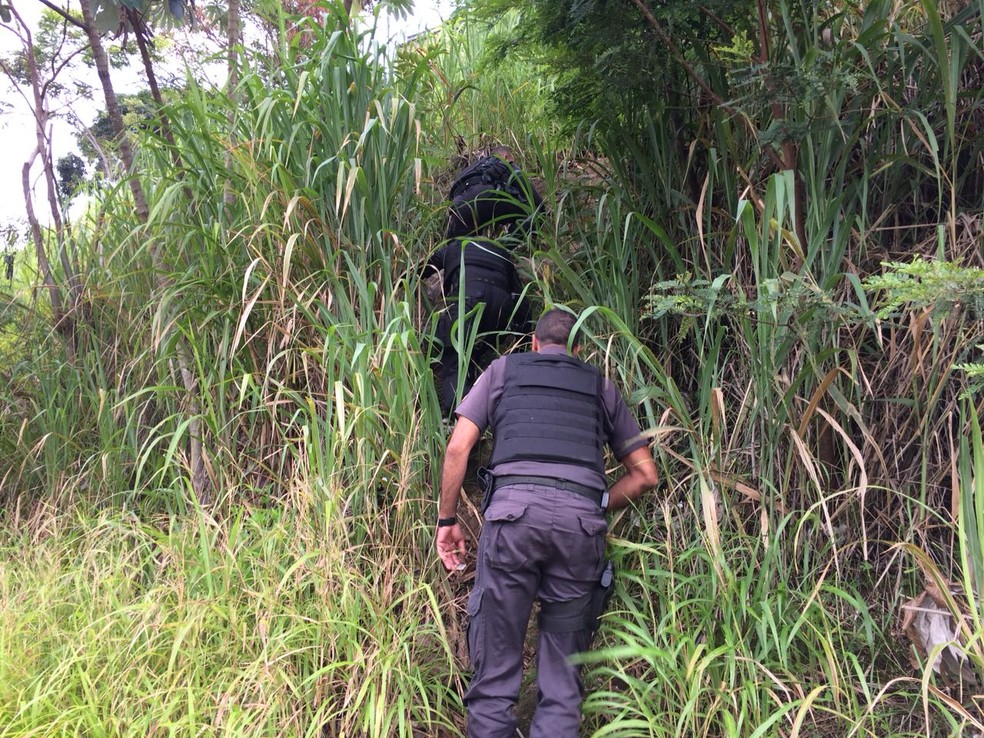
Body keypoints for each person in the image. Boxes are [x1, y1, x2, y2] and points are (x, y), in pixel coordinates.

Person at [434, 308, 660, 737]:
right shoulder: (600, 385)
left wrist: (447, 519)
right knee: (562, 687)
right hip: (581, 527)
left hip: (511, 520)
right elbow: (646, 475)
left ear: (533, 345)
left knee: (494, 673)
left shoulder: (502, 371)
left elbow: (457, 449)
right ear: (579, 350)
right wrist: (597, 503)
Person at [426, 237, 530, 417]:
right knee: (479, 354)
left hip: (468, 299)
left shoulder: (454, 246)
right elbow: (519, 296)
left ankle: (458, 417)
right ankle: (492, 406)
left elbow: (426, 268)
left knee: (454, 358)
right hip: (501, 306)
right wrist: (526, 337)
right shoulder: (501, 252)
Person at [445, 146, 544, 242]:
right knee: (535, 214)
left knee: (457, 249)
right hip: (484, 196)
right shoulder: (502, 162)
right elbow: (538, 204)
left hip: (457, 207)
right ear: (505, 156)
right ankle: (503, 249)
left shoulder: (472, 169)